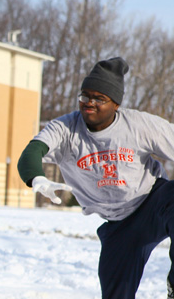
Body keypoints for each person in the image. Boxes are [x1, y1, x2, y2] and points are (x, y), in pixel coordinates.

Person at [17, 57, 174, 299]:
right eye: (85, 96)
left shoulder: (139, 125)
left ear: (116, 104)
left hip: (154, 204)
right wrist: (36, 178)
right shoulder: (65, 129)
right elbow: (31, 151)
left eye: (99, 98)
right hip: (120, 227)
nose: (89, 103)